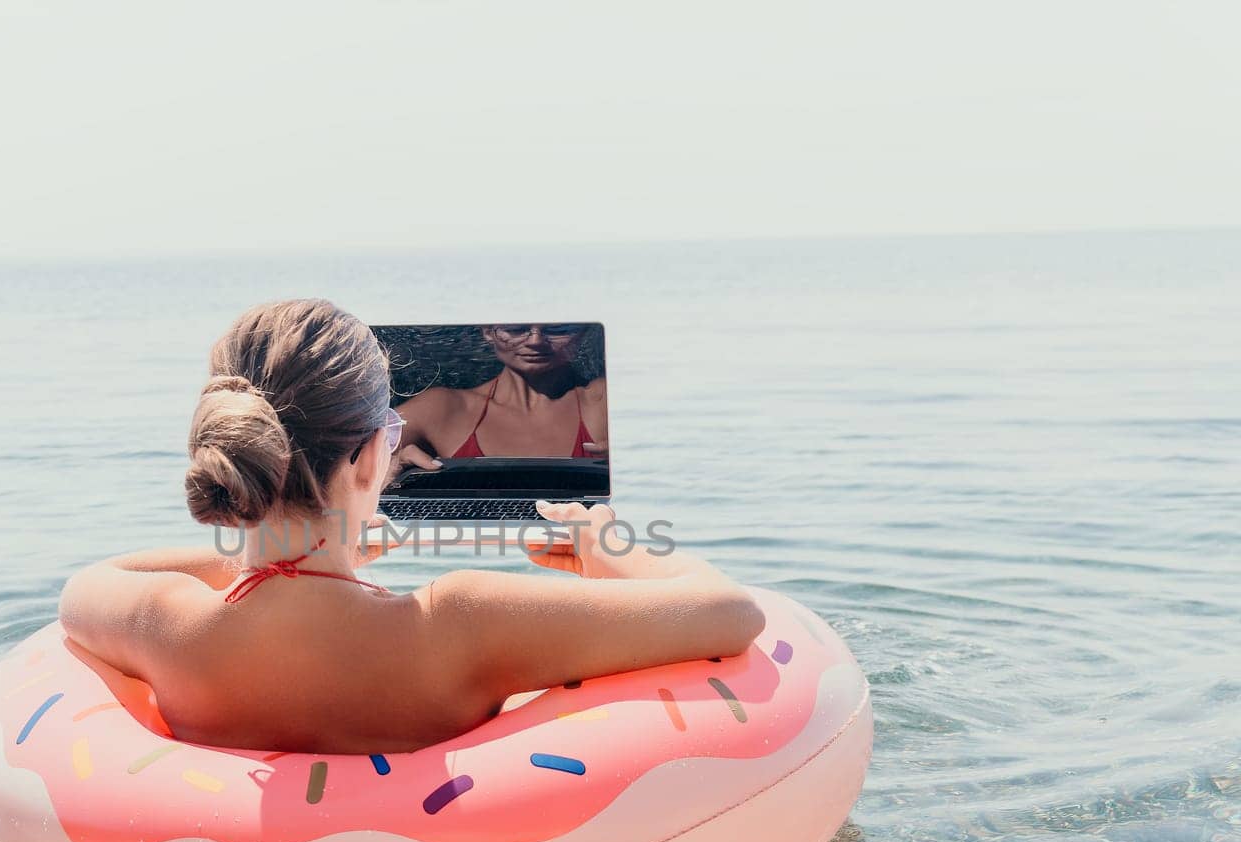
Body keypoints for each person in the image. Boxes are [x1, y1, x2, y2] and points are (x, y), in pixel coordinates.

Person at [59, 300, 763, 754]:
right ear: (372, 457)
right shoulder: (460, 622)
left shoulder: (167, 629)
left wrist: (283, 551)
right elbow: (733, 613)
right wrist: (609, 549)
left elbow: (85, 587)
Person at [390, 323, 608, 478]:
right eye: (516, 329)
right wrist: (385, 468)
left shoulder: (601, 400)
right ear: (487, 331)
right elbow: (357, 453)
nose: (535, 341)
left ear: (581, 332)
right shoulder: (444, 408)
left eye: (557, 329)